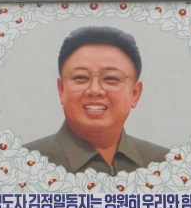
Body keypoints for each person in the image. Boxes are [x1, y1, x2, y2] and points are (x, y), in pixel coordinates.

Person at [23, 26, 169, 175]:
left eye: (111, 78)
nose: (94, 90)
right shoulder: (23, 165)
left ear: (135, 94)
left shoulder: (166, 165)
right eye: (80, 77)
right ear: (61, 90)